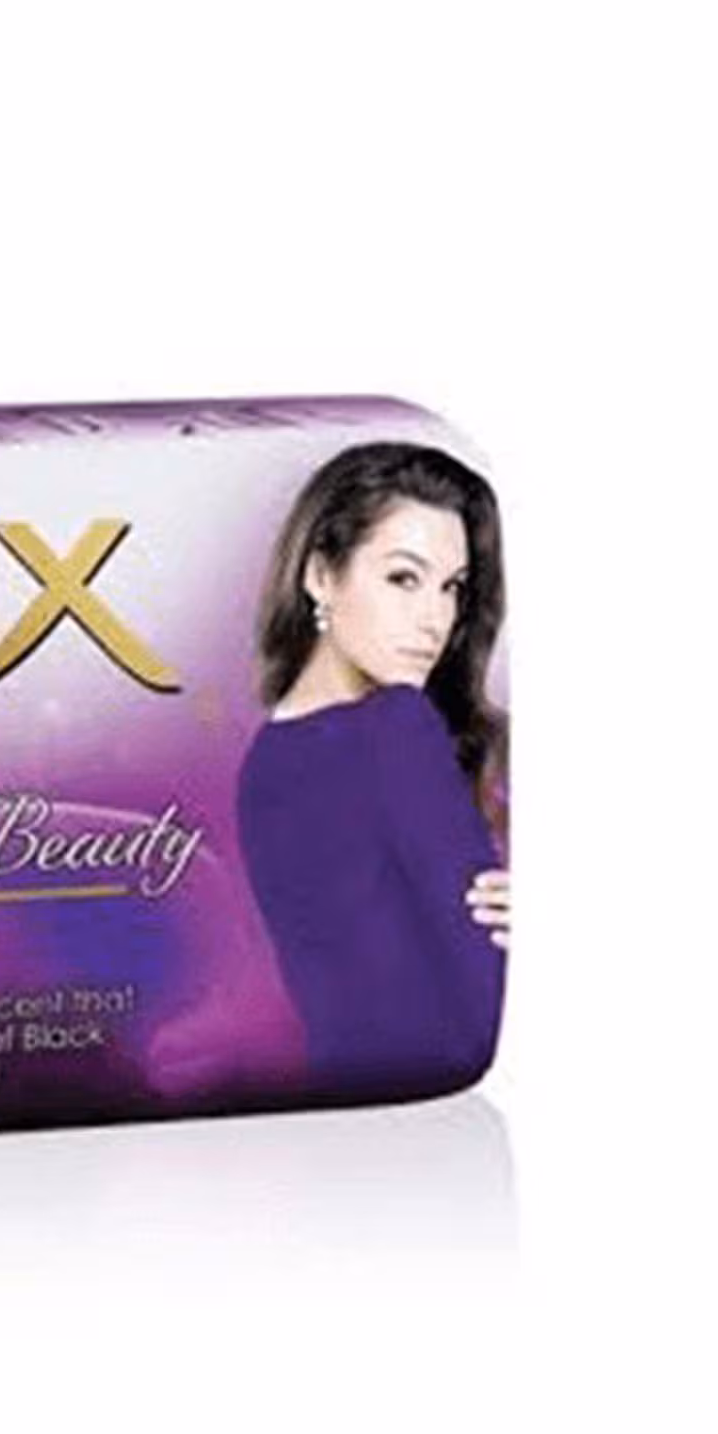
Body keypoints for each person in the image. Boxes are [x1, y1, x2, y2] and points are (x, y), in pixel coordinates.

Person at [235, 441, 510, 1100]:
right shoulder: (397, 727)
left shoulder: (263, 761)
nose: (435, 619)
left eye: (452, 587)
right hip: (447, 1112)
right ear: (320, 575)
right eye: (403, 579)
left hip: (353, 1116)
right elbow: (488, 986)